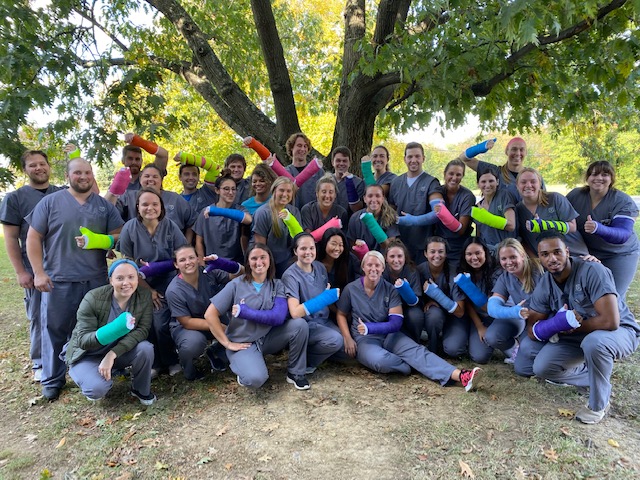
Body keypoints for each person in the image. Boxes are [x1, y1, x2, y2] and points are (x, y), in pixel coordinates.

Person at [26, 158, 124, 400]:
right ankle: (52, 379)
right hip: (58, 279)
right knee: (55, 330)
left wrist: (104, 241)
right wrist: (38, 272)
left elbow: (119, 235)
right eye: (78, 172)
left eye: (88, 172)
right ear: (68, 175)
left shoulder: (103, 206)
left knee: (98, 330)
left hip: (95, 281)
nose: (84, 177)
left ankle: (98, 370)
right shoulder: (50, 202)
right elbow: (33, 238)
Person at [516, 233, 639, 424]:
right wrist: (553, 325)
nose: (552, 258)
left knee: (594, 343)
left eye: (557, 252)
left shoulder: (592, 270)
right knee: (541, 367)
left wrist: (569, 326)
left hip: (618, 332)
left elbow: (610, 321)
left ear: (567, 251)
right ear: (539, 258)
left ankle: (598, 404)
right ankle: (596, 378)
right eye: (545, 254)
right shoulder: (545, 283)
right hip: (578, 335)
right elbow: (533, 330)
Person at [335, 250, 483, 391]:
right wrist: (347, 338)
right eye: (369, 265)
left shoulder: (390, 289)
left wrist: (370, 328)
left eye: (377, 265)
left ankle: (463, 376)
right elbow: (341, 314)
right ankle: (410, 365)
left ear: (383, 268)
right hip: (365, 339)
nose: (373, 268)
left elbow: (395, 323)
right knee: (381, 361)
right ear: (363, 267)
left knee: (418, 352)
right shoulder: (351, 289)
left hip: (390, 335)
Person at [204, 244, 311, 390]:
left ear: (270, 260)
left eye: (263, 257)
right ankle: (234, 358)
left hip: (268, 338)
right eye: (254, 258)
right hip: (243, 343)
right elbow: (210, 314)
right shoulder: (236, 284)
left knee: (299, 325)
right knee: (256, 379)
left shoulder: (277, 285)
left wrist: (246, 312)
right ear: (248, 262)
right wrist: (227, 343)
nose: (259, 262)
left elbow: (278, 317)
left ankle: (296, 373)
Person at [0, 150, 62, 381]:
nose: (39, 168)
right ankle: (39, 362)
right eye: (33, 165)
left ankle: (66, 357)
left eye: (42, 164)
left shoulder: (62, 193)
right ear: (25, 170)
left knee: (65, 314)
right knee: (39, 315)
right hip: (34, 266)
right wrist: (20, 271)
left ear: (49, 166)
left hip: (62, 265)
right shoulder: (15, 199)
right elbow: (10, 238)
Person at [65, 259, 156, 405]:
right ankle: (81, 372)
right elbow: (83, 340)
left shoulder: (143, 296)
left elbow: (142, 330)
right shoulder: (93, 298)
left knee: (146, 348)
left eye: (131, 277)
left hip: (117, 352)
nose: (126, 283)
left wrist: (111, 354)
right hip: (88, 354)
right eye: (119, 278)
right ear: (110, 280)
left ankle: (140, 389)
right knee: (96, 389)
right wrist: (115, 328)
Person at [117, 187, 186, 377]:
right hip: (140, 285)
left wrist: (158, 269)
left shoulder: (170, 226)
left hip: (170, 282)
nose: (150, 208)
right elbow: (127, 266)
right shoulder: (129, 229)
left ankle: (171, 360)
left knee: (162, 324)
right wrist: (148, 290)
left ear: (161, 207)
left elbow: (181, 257)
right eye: (145, 204)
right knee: (148, 323)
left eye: (155, 204)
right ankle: (155, 363)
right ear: (137, 207)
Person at [566, 160, 639, 299]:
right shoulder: (575, 196)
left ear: (611, 179)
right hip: (588, 253)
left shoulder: (622, 201)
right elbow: (561, 219)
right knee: (586, 296)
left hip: (619, 254)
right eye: (594, 174)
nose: (599, 178)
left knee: (612, 298)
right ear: (587, 178)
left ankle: (622, 321)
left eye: (605, 174)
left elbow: (622, 235)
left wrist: (599, 228)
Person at [166, 245, 239, 380]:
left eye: (191, 257)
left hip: (215, 319)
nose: (188, 262)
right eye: (182, 260)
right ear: (176, 264)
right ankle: (188, 369)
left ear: (198, 259)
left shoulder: (208, 272)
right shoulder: (173, 290)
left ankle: (217, 351)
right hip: (188, 328)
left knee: (238, 328)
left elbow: (238, 274)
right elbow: (186, 322)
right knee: (193, 344)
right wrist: (218, 326)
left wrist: (223, 263)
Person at [282, 233, 344, 373]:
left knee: (346, 348)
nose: (308, 252)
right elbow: (295, 312)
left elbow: (325, 297)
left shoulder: (320, 268)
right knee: (335, 341)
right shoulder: (290, 276)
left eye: (311, 248)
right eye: (303, 249)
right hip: (306, 325)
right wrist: (325, 298)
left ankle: (317, 350)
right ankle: (304, 360)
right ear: (295, 251)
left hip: (324, 321)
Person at [488, 238, 543, 365]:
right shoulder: (505, 277)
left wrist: (588, 259)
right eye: (504, 259)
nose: (508, 262)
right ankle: (515, 352)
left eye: (513, 257)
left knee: (530, 361)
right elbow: (492, 307)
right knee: (492, 336)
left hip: (547, 321)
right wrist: (515, 312)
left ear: (522, 255)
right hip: (527, 323)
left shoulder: (540, 269)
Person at [444, 238, 498, 363]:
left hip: (487, 316)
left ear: (485, 252)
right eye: (469, 254)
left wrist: (481, 326)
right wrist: (478, 325)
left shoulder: (495, 272)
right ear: (464, 256)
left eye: (478, 253)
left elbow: (488, 307)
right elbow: (466, 303)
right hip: (466, 315)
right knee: (452, 349)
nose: (474, 258)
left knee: (480, 357)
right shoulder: (460, 272)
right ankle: (463, 337)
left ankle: (473, 340)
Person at [113, 163, 196, 243]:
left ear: (161, 180)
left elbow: (192, 221)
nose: (150, 179)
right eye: (147, 176)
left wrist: (186, 245)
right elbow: (110, 213)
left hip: (173, 251)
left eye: (155, 176)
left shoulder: (175, 199)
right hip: (139, 251)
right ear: (140, 179)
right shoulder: (128, 197)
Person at [390, 142, 443, 264]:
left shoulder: (431, 182)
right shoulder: (396, 182)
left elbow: (439, 212)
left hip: (422, 246)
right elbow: (390, 213)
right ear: (404, 159)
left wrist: (414, 220)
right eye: (410, 157)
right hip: (400, 246)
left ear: (423, 158)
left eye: (417, 156)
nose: (413, 160)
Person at [515, 168, 584, 257]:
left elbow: (573, 226)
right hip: (545, 260)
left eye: (533, 181)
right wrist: (535, 260)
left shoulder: (555, 198)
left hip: (574, 254)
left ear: (540, 184)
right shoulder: (518, 209)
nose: (528, 185)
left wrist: (545, 225)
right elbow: (523, 240)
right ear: (517, 185)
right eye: (523, 182)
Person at [193, 170, 252, 264]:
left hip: (236, 266)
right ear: (217, 190)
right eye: (226, 189)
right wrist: (202, 264)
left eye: (233, 189)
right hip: (212, 265)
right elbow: (199, 242)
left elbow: (248, 220)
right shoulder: (206, 212)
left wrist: (219, 212)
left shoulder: (240, 210)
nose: (231, 192)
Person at [417, 237, 463, 354]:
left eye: (441, 251)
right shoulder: (419, 270)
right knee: (434, 314)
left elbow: (459, 312)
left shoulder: (454, 272)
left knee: (453, 350)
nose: (437, 255)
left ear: (446, 253)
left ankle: (451, 337)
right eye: (432, 251)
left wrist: (437, 295)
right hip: (434, 314)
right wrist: (427, 302)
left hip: (454, 317)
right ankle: (433, 347)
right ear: (425, 253)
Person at [252, 177, 302, 277]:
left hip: (288, 261)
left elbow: (299, 238)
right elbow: (260, 246)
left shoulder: (294, 211)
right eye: (281, 190)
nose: (285, 194)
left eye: (289, 191)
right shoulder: (262, 213)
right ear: (274, 191)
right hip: (268, 262)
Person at [433, 159, 475, 270]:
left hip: (458, 248)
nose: (454, 178)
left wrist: (443, 213)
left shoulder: (467, 196)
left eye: (458, 175)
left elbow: (461, 229)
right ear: (444, 174)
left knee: (454, 281)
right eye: (451, 174)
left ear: (463, 176)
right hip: (437, 245)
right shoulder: (437, 192)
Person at [458, 137, 525, 202]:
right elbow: (463, 158)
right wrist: (479, 148)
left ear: (526, 152)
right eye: (514, 149)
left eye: (522, 150)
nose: (518, 153)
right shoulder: (495, 172)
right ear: (507, 151)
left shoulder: (531, 176)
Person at [382, 239, 424, 343]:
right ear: (386, 258)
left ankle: (415, 342)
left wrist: (405, 289)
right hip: (387, 307)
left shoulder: (412, 271)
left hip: (408, 308)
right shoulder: (382, 272)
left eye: (400, 256)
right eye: (392, 256)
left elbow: (414, 301)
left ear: (405, 258)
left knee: (415, 316)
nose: (396, 260)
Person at [471, 168, 516, 257]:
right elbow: (479, 235)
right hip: (487, 253)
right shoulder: (477, 207)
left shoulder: (504, 196)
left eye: (491, 181)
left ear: (497, 182)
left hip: (507, 251)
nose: (487, 185)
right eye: (483, 182)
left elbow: (511, 226)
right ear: (478, 184)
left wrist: (486, 217)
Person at [348, 184, 399, 253]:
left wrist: (372, 224)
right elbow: (352, 246)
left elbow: (389, 248)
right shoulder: (355, 218)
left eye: (377, 196)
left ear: (382, 198)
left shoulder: (390, 217)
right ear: (365, 199)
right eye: (370, 196)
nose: (374, 199)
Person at [284, 133, 324, 210]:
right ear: (291, 148)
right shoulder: (285, 172)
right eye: (299, 145)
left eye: (305, 146)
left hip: (313, 216)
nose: (302, 149)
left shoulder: (318, 172)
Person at [329, 146, 364, 215]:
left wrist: (349, 184)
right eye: (338, 160)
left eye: (344, 161)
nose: (341, 163)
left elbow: (357, 209)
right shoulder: (325, 182)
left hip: (349, 223)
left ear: (350, 163)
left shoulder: (358, 183)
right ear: (333, 162)